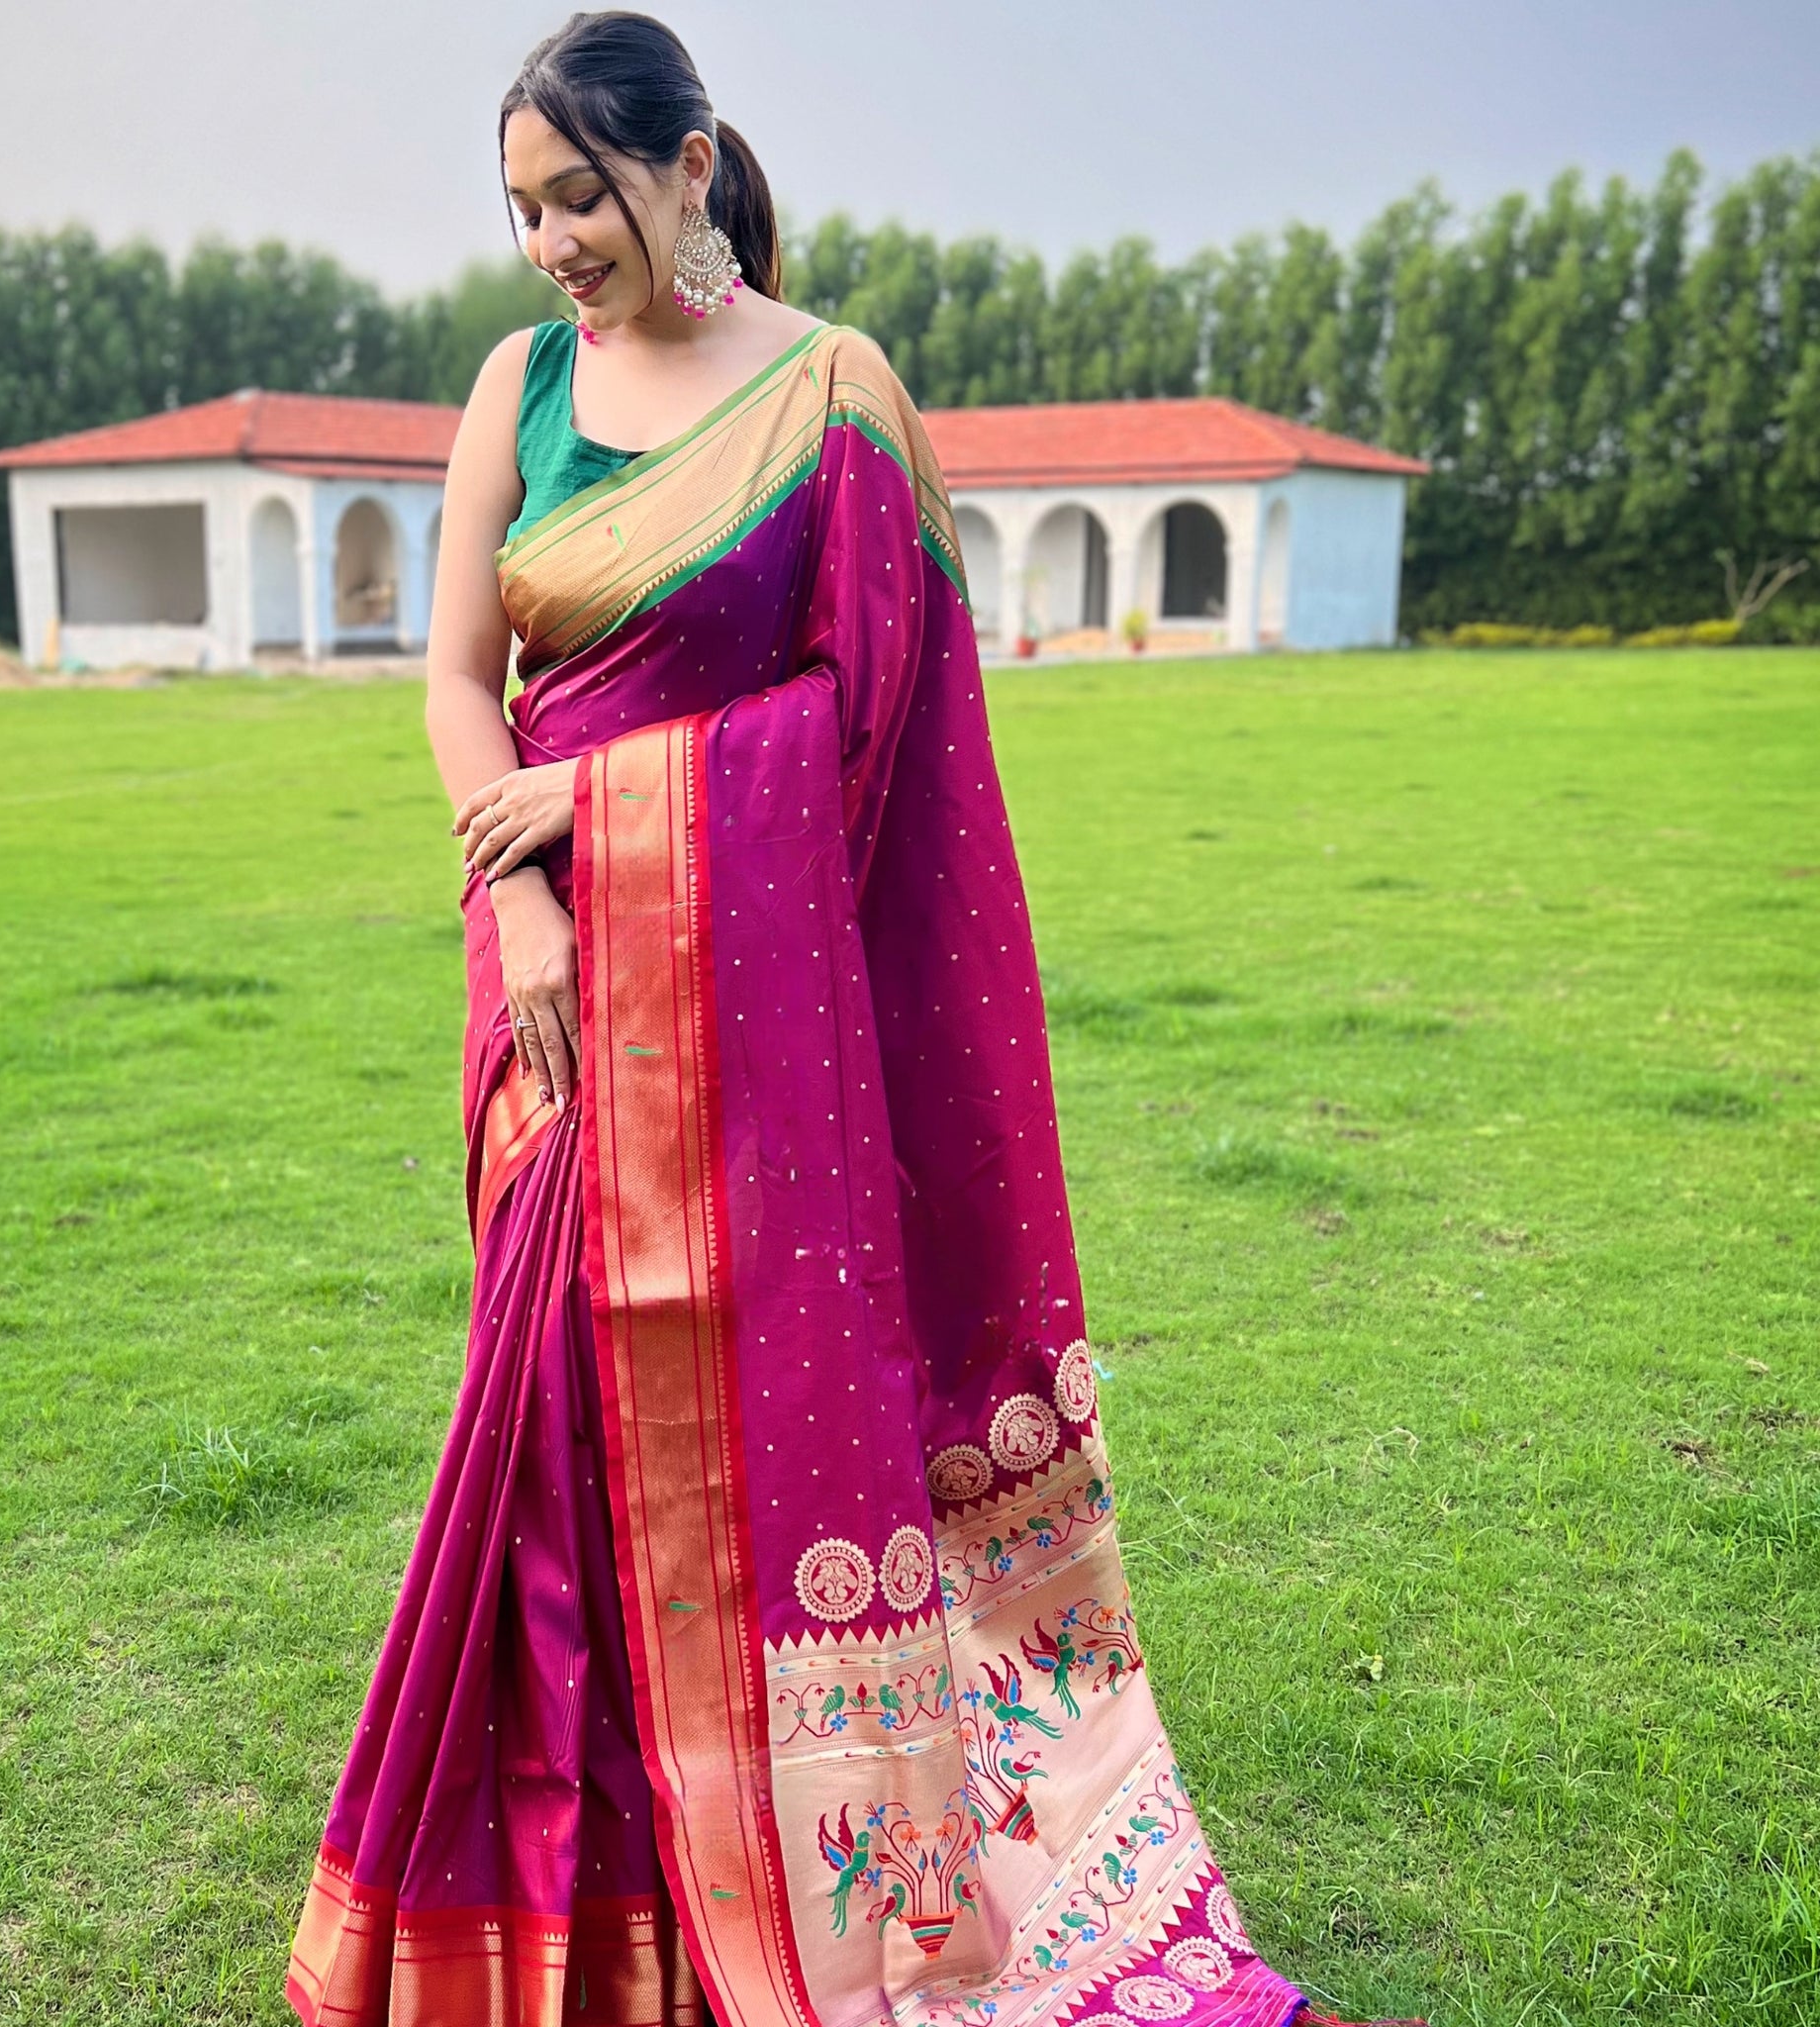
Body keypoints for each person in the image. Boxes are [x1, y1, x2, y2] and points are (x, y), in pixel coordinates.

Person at [286, 14, 1421, 2027]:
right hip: (551, 995)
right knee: (548, 1433)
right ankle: (584, 1894)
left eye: (583, 194)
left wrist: (620, 809)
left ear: (692, 160)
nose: (553, 242)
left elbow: (883, 736)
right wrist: (525, 887)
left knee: (749, 1413)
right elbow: (459, 678)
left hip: (759, 1017)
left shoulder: (831, 398)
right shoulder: (517, 385)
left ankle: (797, 1876)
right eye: (523, 207)